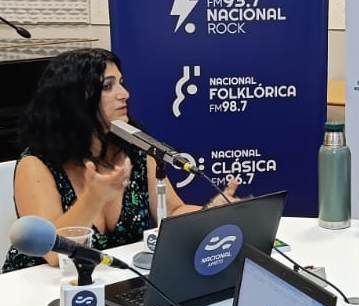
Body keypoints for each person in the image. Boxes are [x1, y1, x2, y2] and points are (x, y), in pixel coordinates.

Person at [2, 48, 239, 272]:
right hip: (39, 287)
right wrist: (94, 198)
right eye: (108, 86)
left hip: (116, 279)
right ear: (74, 99)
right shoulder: (36, 164)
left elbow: (173, 210)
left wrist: (208, 215)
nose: (125, 94)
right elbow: (54, 254)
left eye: (121, 83)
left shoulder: (137, 150)